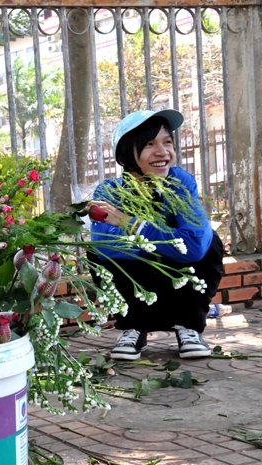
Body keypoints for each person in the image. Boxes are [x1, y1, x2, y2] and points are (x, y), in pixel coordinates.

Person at [88, 109, 224, 360]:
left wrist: (131, 224)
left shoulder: (181, 182)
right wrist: (168, 242)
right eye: (150, 144)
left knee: (211, 243)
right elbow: (107, 247)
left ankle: (189, 326)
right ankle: (133, 326)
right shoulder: (109, 192)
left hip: (179, 277)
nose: (162, 152)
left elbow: (195, 245)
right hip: (141, 279)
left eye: (167, 142)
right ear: (129, 152)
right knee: (96, 255)